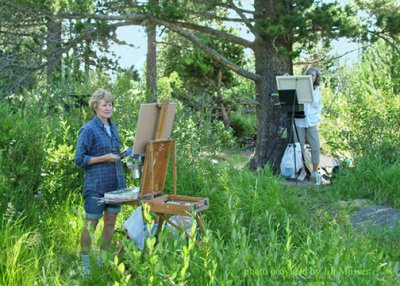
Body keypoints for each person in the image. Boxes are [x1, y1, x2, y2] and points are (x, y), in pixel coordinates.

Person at [74, 88, 126, 276]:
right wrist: (103, 158)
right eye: (104, 104)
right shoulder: (88, 129)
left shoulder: (113, 127)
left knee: (110, 221)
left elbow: (115, 153)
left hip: (115, 185)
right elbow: (79, 159)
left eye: (110, 104)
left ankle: (102, 257)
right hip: (96, 185)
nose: (108, 107)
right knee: (91, 223)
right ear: (95, 106)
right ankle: (85, 262)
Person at [294, 66, 323, 181]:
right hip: (299, 121)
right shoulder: (299, 88)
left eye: (313, 75)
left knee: (315, 145)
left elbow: (317, 106)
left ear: (316, 78)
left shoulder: (317, 92)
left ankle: (315, 171)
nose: (311, 77)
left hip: (311, 121)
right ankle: (302, 170)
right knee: (299, 147)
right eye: (309, 75)